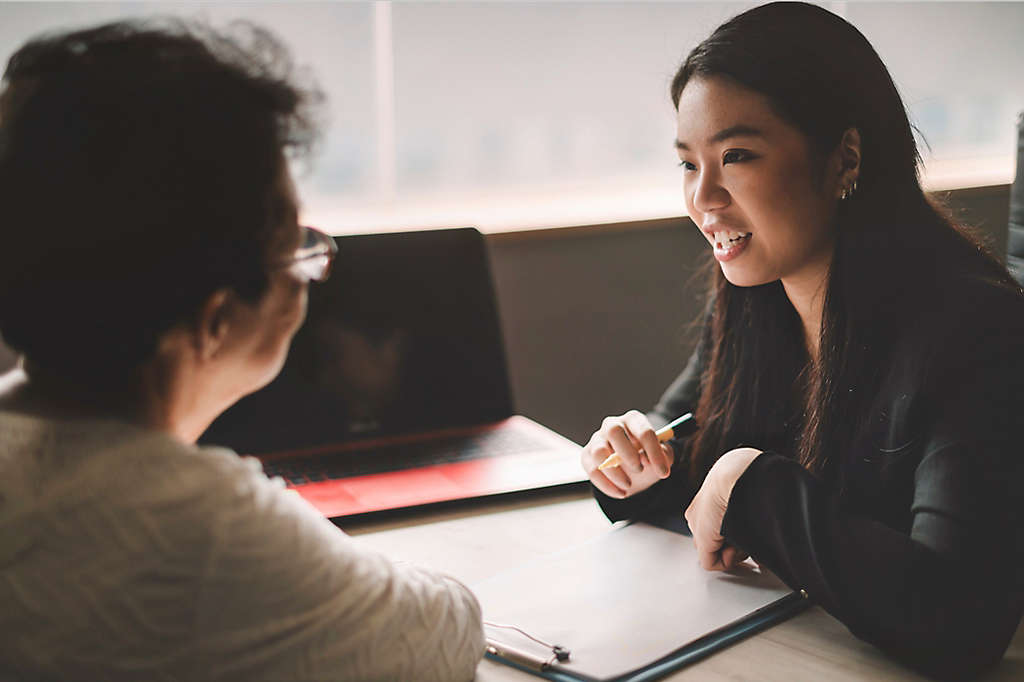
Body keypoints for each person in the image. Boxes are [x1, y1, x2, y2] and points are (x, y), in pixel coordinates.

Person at [0, 20, 483, 681]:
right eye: (295, 244)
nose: (310, 267)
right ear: (216, 319)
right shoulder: (202, 529)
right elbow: (446, 632)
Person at [580, 3, 1023, 679]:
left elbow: (955, 619)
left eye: (736, 156)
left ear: (844, 156)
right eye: (687, 164)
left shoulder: (976, 332)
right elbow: (692, 472)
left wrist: (748, 484)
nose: (704, 199)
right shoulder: (753, 296)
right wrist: (635, 472)